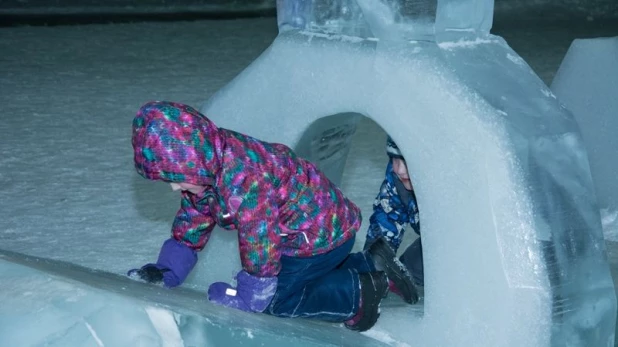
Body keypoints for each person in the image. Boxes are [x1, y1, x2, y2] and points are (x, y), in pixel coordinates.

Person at [128, 101, 416, 332]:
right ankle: (371, 263)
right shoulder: (210, 164)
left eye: (177, 178)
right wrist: (168, 269)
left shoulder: (244, 179)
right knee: (290, 276)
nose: (175, 186)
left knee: (279, 300)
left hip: (317, 233)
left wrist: (253, 294)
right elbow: (195, 215)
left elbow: (259, 239)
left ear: (195, 161)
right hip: (314, 225)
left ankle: (360, 292)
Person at [364, 136, 423, 297]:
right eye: (394, 159)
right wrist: (372, 264)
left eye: (406, 160)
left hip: (469, 246)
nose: (400, 170)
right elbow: (387, 215)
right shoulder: (396, 176)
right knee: (404, 272)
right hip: (432, 241)